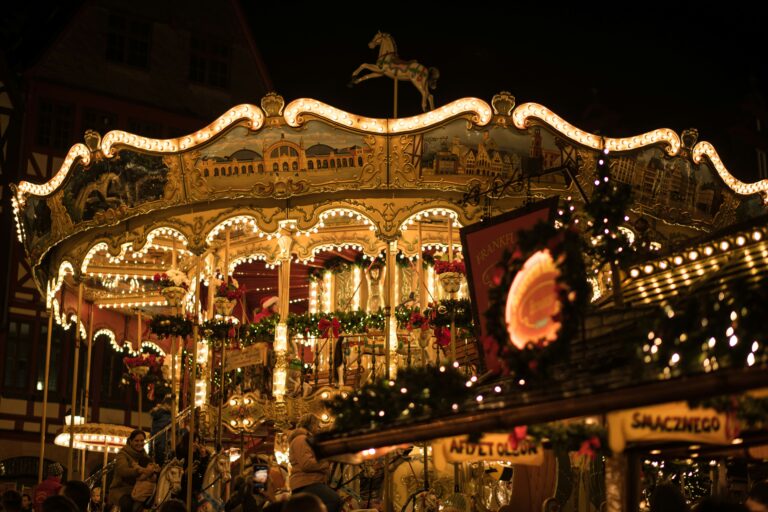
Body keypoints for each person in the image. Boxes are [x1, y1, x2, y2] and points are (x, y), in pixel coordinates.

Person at [288, 415, 341, 512]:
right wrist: (326, 461)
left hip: (312, 482)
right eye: (317, 426)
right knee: (334, 499)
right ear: (311, 425)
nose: (319, 429)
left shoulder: (307, 440)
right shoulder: (301, 439)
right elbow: (307, 464)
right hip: (306, 483)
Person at [109, 430, 156, 512]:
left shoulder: (146, 456)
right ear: (130, 441)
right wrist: (140, 471)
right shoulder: (122, 454)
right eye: (136, 441)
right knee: (127, 504)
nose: (139, 443)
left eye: (142, 441)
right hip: (122, 489)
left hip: (139, 489)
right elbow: (123, 470)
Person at [149, 396, 173, 464]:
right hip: (161, 444)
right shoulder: (165, 414)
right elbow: (173, 426)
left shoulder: (159, 412)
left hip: (156, 442)